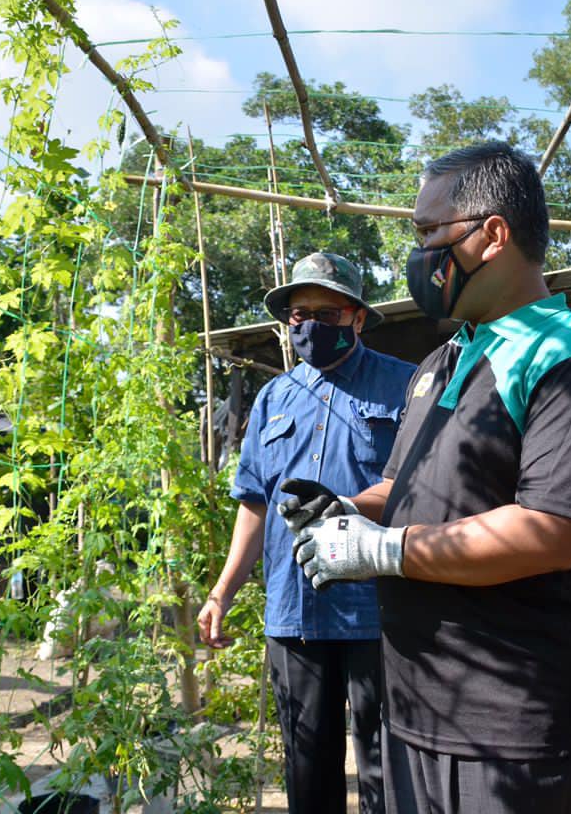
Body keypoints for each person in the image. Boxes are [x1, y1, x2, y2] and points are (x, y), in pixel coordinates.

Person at [280, 142, 571, 814]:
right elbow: (406, 490)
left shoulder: (567, 357)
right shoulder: (444, 360)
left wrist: (384, 550)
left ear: (492, 234)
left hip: (509, 718)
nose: (417, 255)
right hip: (416, 698)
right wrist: (347, 511)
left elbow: (553, 531)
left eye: (427, 233)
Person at [196, 252, 414, 814]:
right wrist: (223, 591)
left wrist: (351, 506)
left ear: (357, 318)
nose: (308, 325)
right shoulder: (274, 397)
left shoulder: (405, 386)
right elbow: (254, 504)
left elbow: (421, 485)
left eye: (325, 312)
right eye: (297, 315)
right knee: (306, 760)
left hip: (379, 605)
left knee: (385, 762)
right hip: (295, 609)